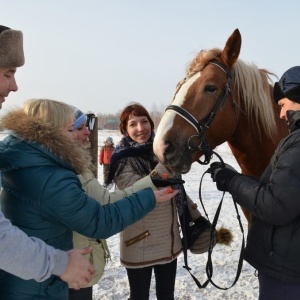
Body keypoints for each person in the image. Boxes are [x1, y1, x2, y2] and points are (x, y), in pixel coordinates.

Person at [0, 99, 178, 300]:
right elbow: (100, 216)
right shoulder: (52, 176)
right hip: (57, 270)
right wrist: (151, 191)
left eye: (88, 126)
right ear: (51, 133)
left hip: (56, 267)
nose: (87, 132)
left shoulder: (48, 164)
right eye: (77, 128)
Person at [0, 24, 95, 289]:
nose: (15, 86)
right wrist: (60, 263)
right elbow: (97, 217)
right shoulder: (48, 171)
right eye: (8, 73)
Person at [209, 66, 300, 300]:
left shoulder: (297, 146)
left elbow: (276, 204)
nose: (281, 115)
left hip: (286, 274)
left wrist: (231, 180)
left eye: (283, 105)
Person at [107, 102, 201, 300]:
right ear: (125, 129)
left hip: (169, 239)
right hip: (139, 240)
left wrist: (196, 216)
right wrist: (168, 161)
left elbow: (177, 188)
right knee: (139, 296)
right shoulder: (121, 159)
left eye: (144, 121)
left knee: (167, 295)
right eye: (133, 124)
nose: (140, 128)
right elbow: (134, 188)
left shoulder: (158, 151)